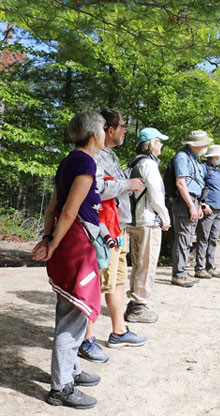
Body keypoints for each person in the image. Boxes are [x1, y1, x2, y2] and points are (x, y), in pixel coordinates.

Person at [32, 112, 105, 409]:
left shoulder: (67, 161)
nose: (104, 133)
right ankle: (61, 387)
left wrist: (48, 238)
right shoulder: (86, 162)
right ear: (93, 134)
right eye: (102, 128)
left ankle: (72, 369)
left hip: (66, 241)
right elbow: (69, 211)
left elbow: (53, 206)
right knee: (72, 316)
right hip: (75, 244)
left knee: (71, 310)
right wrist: (54, 244)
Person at [77, 108, 146, 363]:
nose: (125, 130)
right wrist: (128, 184)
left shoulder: (110, 155)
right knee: (96, 284)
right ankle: (86, 339)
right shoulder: (93, 156)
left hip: (118, 227)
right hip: (102, 229)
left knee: (117, 281)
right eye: (123, 125)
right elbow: (96, 189)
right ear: (109, 129)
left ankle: (119, 332)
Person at [125, 128, 171, 322]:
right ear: (151, 143)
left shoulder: (135, 163)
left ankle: (134, 302)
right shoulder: (149, 165)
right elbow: (156, 196)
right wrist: (165, 217)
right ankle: (138, 307)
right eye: (159, 141)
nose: (161, 145)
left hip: (134, 221)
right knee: (147, 265)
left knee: (138, 264)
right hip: (148, 221)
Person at [171, 130, 213, 287]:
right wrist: (190, 205)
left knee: (188, 239)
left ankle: (183, 271)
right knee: (183, 238)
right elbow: (180, 183)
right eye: (204, 143)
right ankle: (179, 274)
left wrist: (199, 204)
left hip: (193, 200)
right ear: (197, 144)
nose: (206, 146)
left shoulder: (193, 158)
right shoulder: (182, 157)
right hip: (185, 201)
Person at [194, 145, 220, 279]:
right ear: (214, 156)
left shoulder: (218, 171)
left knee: (213, 238)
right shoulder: (203, 168)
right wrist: (203, 203)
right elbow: (199, 186)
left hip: (218, 209)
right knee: (203, 238)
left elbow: (219, 190)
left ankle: (210, 266)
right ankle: (200, 267)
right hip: (208, 209)